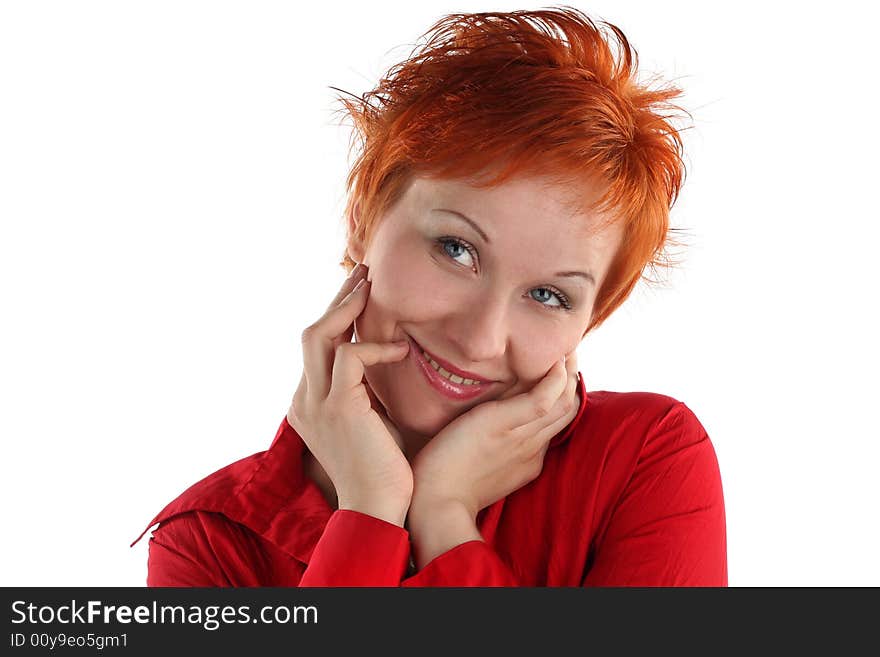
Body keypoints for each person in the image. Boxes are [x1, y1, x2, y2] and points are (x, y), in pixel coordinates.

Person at [131, 6, 727, 586]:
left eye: (547, 294)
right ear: (362, 219)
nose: (479, 337)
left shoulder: (644, 460)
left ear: (593, 316)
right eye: (456, 249)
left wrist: (444, 517)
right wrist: (370, 510)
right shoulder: (210, 547)